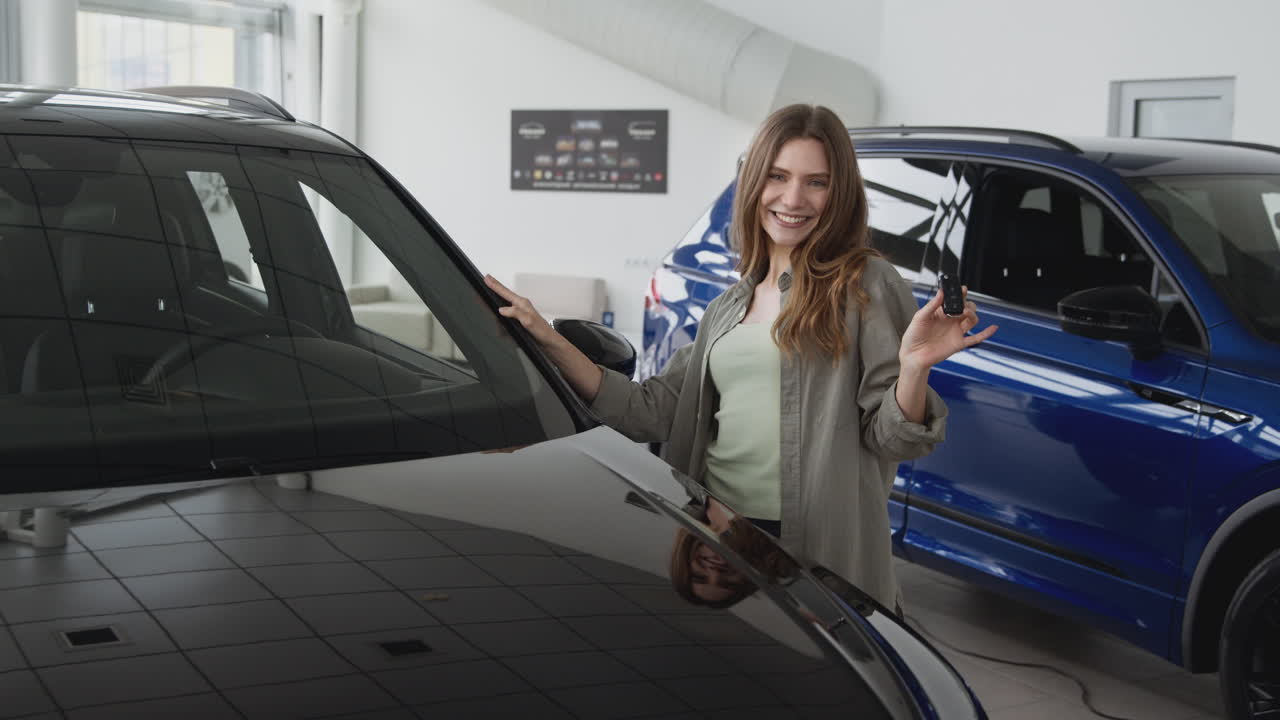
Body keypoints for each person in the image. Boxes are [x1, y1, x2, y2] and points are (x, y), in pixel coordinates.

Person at [485, 103, 996, 612]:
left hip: (813, 548)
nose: (794, 198)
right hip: (719, 531)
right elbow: (647, 410)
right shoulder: (729, 305)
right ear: (754, 182)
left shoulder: (866, 284)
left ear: (839, 194)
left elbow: (892, 438)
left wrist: (914, 368)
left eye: (816, 182)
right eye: (778, 176)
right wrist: (543, 335)